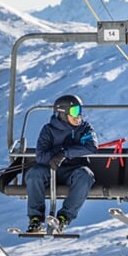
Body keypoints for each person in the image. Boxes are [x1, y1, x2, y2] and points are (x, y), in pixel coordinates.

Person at [25, 94, 97, 233]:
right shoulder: (48, 130)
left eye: (80, 111)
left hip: (74, 170)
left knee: (86, 176)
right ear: (63, 113)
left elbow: (91, 147)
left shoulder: (85, 128)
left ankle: (64, 217)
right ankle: (36, 219)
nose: (79, 116)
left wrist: (65, 153)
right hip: (51, 171)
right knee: (34, 173)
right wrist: (59, 151)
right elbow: (41, 157)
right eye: (75, 111)